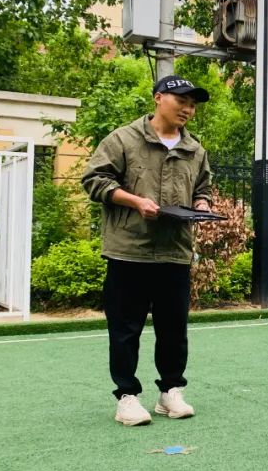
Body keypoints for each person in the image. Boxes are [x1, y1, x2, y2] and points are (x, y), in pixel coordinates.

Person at [81, 74, 213, 426]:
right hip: (129, 251)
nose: (188, 108)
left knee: (174, 328)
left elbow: (204, 188)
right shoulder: (123, 139)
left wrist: (201, 203)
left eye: (193, 103)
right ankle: (126, 396)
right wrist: (135, 201)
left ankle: (170, 392)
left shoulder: (195, 150)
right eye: (181, 100)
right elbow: (94, 180)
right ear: (158, 98)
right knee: (126, 329)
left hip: (175, 251)